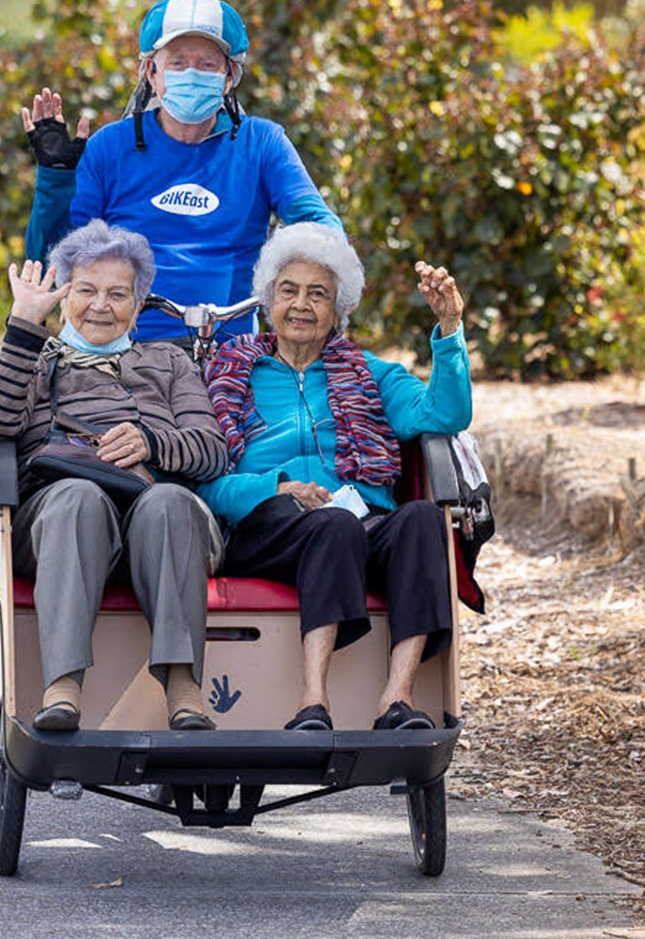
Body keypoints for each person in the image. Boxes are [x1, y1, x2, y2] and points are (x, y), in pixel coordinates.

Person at [198, 223, 472, 732]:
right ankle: (313, 702)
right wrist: (273, 488)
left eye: (318, 294)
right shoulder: (226, 375)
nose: (302, 305)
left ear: (338, 310)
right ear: (267, 301)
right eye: (289, 290)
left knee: (421, 521)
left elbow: (446, 414)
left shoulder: (371, 373)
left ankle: (397, 698)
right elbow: (203, 480)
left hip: (360, 526)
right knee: (331, 525)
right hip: (268, 529)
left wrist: (450, 330)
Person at [0, 221, 228, 732]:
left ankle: (182, 685)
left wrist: (152, 442)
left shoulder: (167, 361)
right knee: (77, 497)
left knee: (170, 503)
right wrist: (23, 325)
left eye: (117, 294)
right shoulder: (36, 360)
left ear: (139, 302)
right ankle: (62, 685)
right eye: (86, 291)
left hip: (155, 513)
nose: (101, 306)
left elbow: (211, 450)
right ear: (64, 295)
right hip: (57, 515)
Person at [21, 0, 342, 341]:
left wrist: (331, 260)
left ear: (229, 76)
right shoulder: (109, 146)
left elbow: (316, 221)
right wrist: (55, 178)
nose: (191, 74)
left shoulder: (262, 143)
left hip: (226, 348)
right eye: (177, 62)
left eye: (207, 64)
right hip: (121, 347)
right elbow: (52, 264)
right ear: (152, 73)